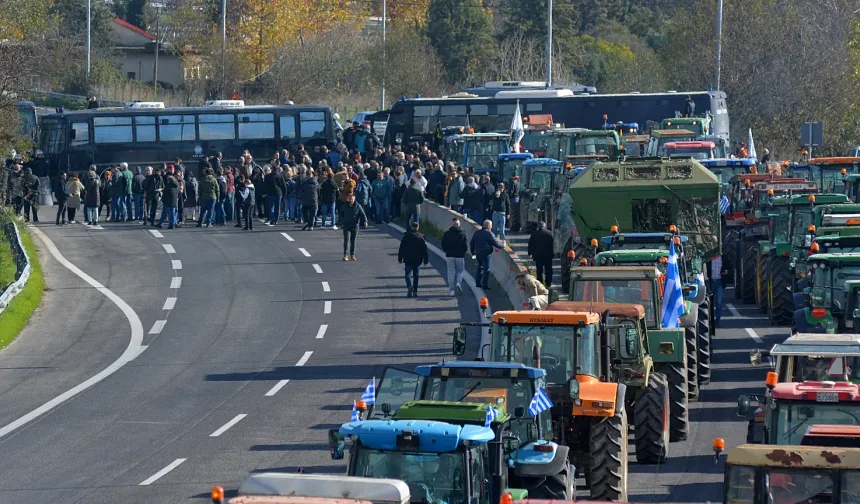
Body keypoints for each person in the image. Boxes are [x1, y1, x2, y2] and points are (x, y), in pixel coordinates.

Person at [470, 220, 505, 290]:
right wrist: (503, 245)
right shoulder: (489, 233)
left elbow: (471, 243)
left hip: (478, 253)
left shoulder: (477, 232)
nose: (491, 227)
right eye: (491, 226)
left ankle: (477, 283)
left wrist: (473, 252)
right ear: (488, 226)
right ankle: (485, 284)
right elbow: (496, 244)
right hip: (486, 253)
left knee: (480, 267)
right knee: (487, 269)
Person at [398, 221, 429, 298]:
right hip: (417, 260)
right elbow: (424, 250)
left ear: (411, 227)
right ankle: (415, 291)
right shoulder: (421, 237)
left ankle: (409, 286)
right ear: (417, 227)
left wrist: (400, 258)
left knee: (408, 274)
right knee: (416, 275)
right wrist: (425, 260)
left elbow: (401, 248)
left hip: (408, 259)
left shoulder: (406, 236)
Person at [441, 217, 468, 296]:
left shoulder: (447, 233)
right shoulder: (463, 233)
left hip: (450, 255)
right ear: (459, 224)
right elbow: (465, 246)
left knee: (451, 272)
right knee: (460, 271)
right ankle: (458, 282)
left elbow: (443, 244)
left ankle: (451, 290)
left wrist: (447, 251)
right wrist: (463, 252)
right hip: (460, 256)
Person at [339, 193, 368, 261]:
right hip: (346, 225)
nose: (351, 200)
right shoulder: (344, 206)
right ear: (347, 199)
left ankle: (352, 254)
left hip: (355, 226)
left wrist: (365, 221)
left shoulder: (358, 206)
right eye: (349, 199)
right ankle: (345, 254)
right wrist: (342, 222)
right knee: (346, 240)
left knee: (353, 240)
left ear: (354, 199)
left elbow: (362, 214)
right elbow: (341, 214)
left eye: (352, 199)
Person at [528, 221, 555, 287]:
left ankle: (540, 284)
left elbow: (530, 244)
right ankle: (548, 283)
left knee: (539, 270)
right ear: (544, 226)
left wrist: (530, 253)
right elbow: (553, 244)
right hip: (548, 256)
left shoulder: (534, 234)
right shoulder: (549, 233)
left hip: (538, 256)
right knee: (548, 270)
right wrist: (553, 253)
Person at [710, 254, 726, 327]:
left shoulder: (723, 257)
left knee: (719, 302)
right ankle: (710, 320)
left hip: (720, 282)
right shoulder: (709, 258)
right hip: (711, 282)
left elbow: (728, 268)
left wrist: (726, 272)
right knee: (710, 302)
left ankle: (718, 321)